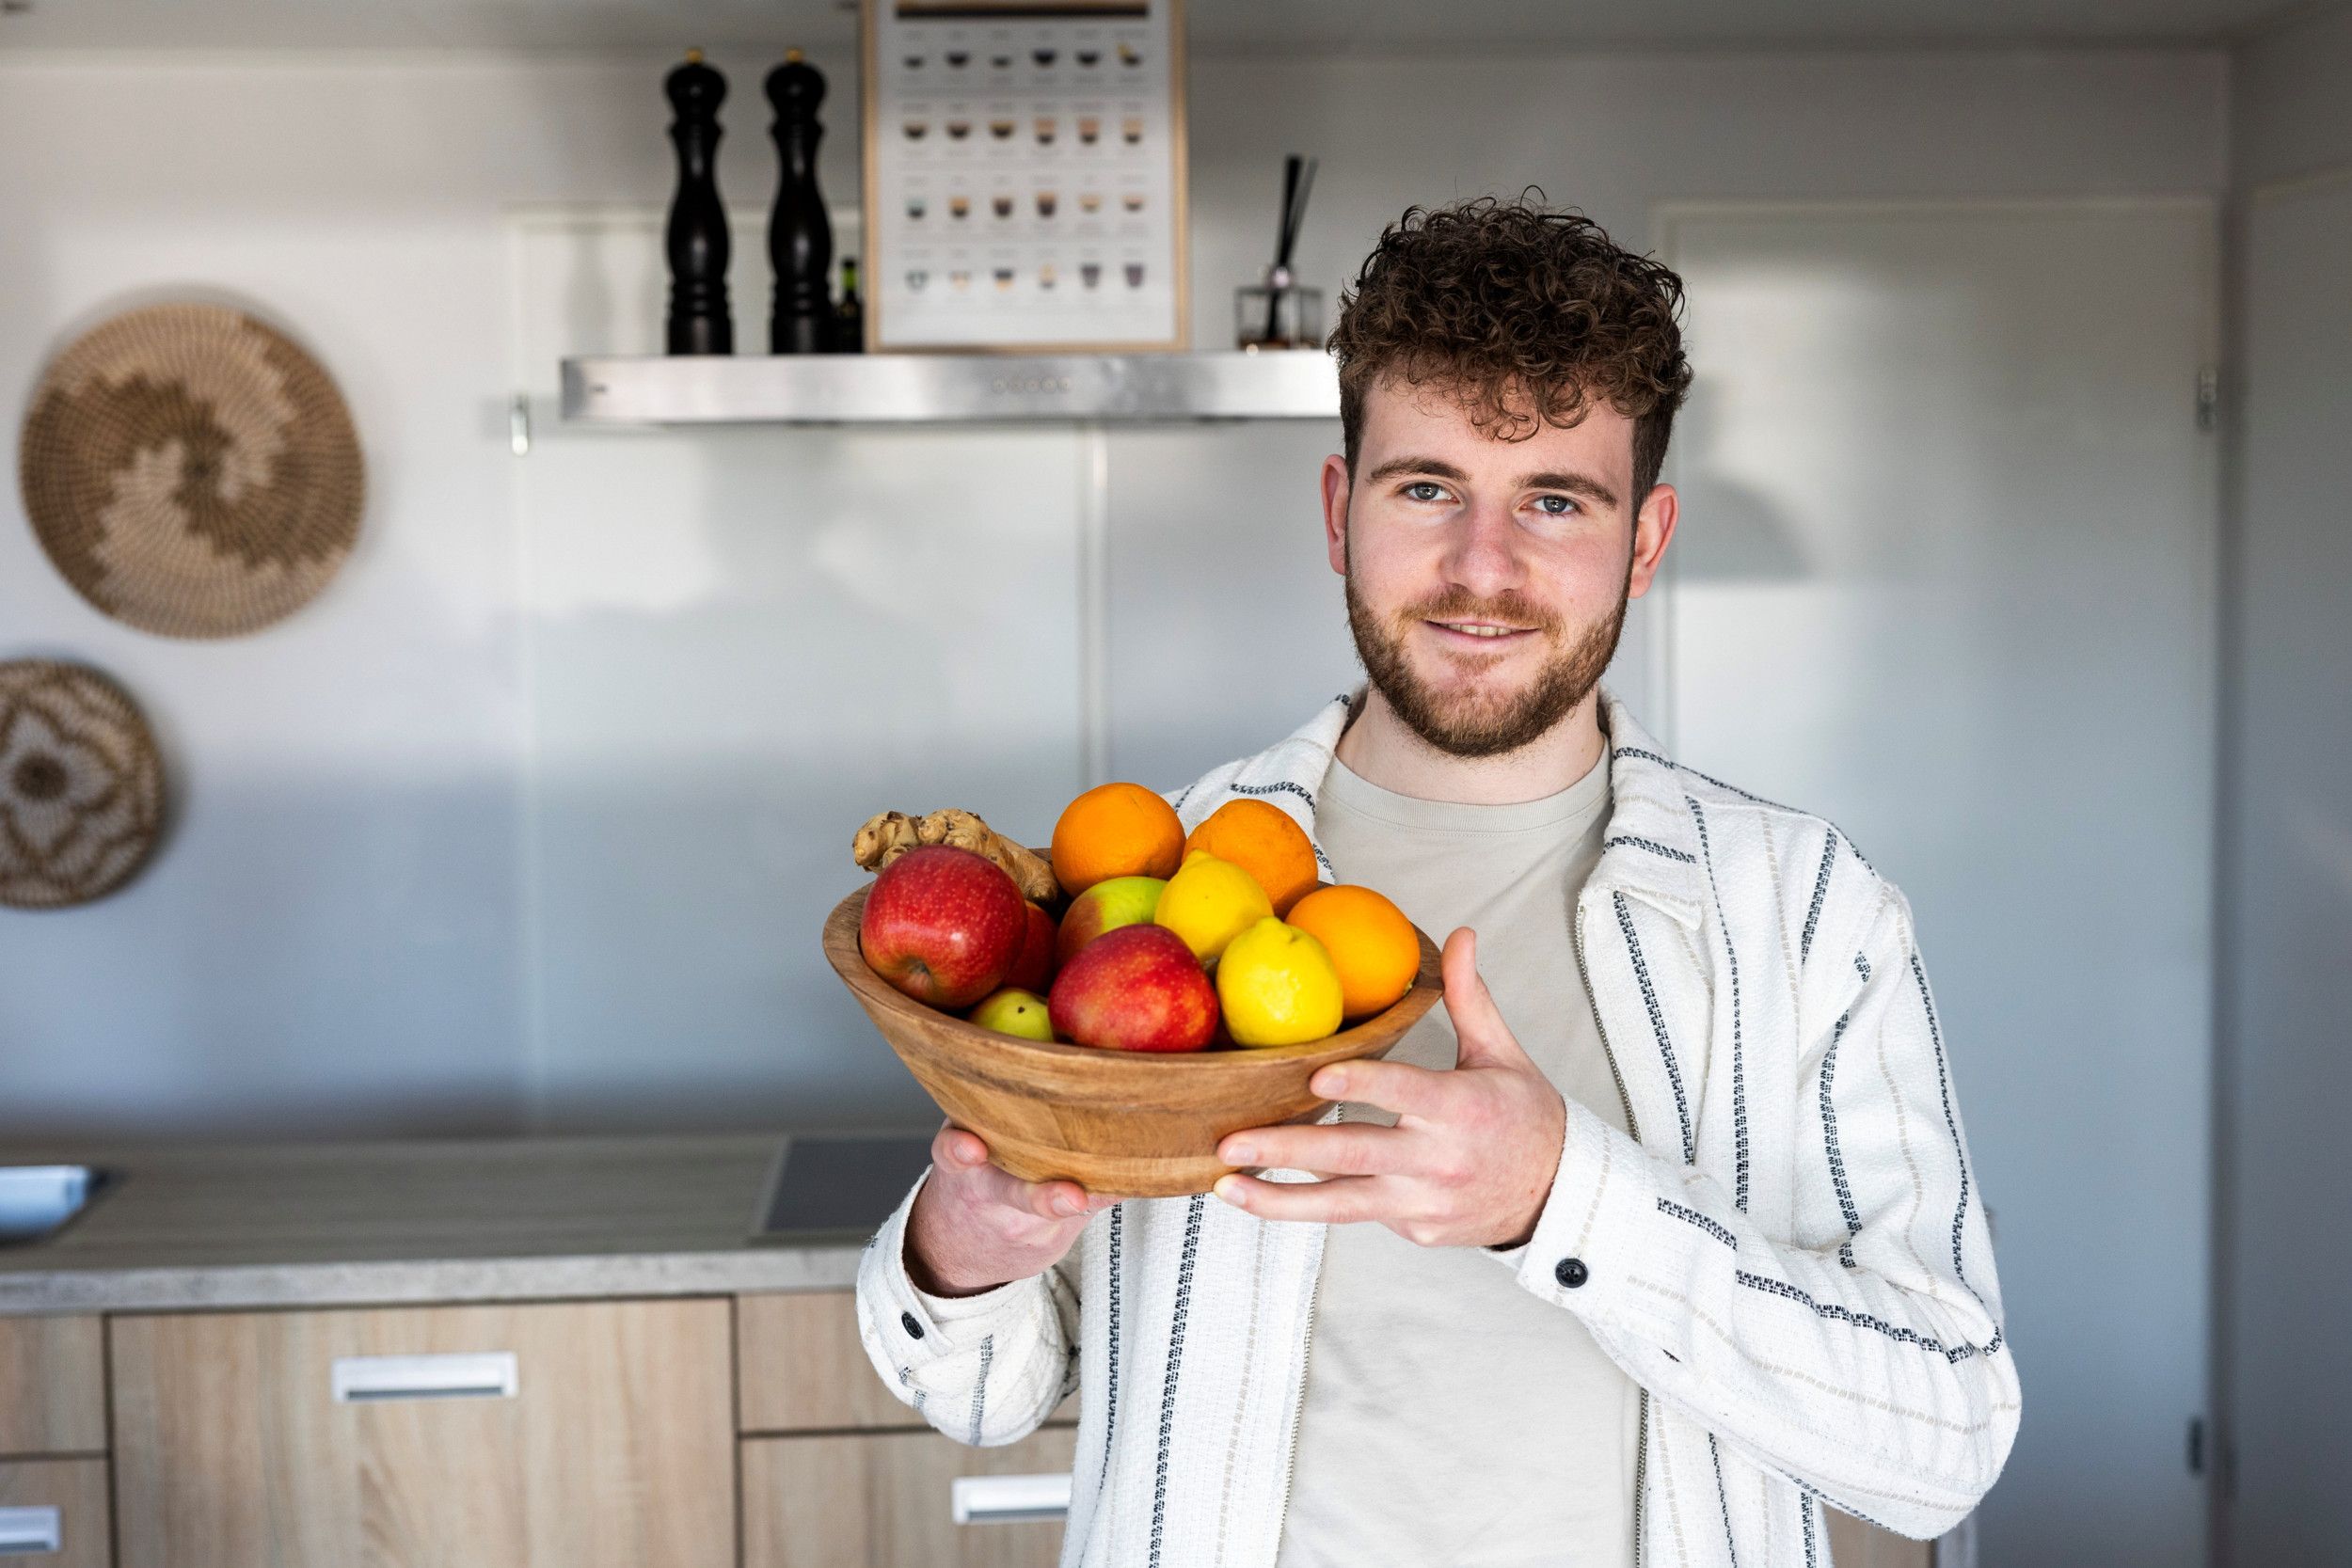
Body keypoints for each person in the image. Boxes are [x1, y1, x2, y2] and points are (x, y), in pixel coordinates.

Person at [854, 194, 2021, 1568]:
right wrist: (960, 1247)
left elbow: (1943, 1444)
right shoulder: (1145, 882)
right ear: (1343, 511)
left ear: (1643, 542)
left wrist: (1563, 1200)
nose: (1484, 569)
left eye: (1553, 501)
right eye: (1428, 490)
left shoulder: (1808, 912)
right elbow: (984, 1389)